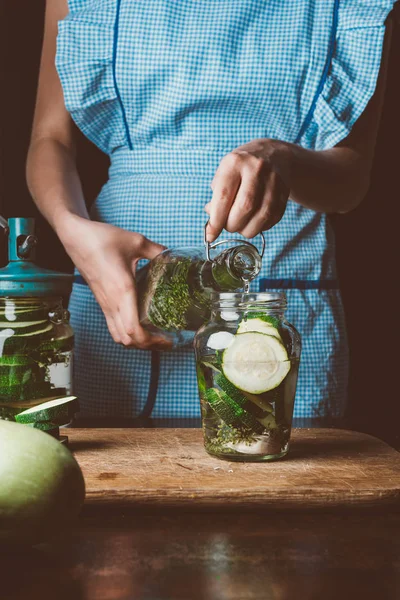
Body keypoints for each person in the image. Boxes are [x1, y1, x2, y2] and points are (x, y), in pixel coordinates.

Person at [27, 0, 394, 423]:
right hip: (114, 293)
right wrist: (72, 231)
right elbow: (49, 140)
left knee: (279, 468)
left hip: (278, 297)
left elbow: (352, 181)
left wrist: (284, 159)